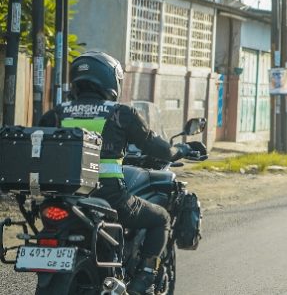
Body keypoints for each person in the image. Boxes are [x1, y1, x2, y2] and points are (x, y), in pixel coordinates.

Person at [39, 52, 202, 295]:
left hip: (63, 199)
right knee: (160, 219)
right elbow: (158, 148)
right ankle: (143, 280)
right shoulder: (119, 113)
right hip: (110, 198)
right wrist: (182, 149)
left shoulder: (56, 113)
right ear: (110, 79)